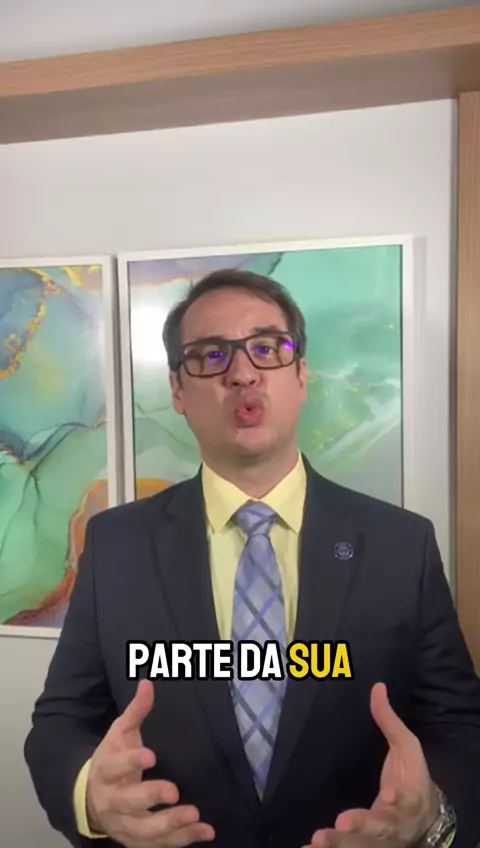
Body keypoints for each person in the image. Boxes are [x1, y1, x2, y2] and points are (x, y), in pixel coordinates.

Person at [24, 268, 480, 848]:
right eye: (210, 355)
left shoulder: (401, 545)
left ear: (301, 375)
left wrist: (433, 815)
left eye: (266, 348)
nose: (242, 373)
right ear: (178, 391)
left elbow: (458, 724)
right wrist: (90, 795)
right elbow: (61, 721)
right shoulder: (116, 545)